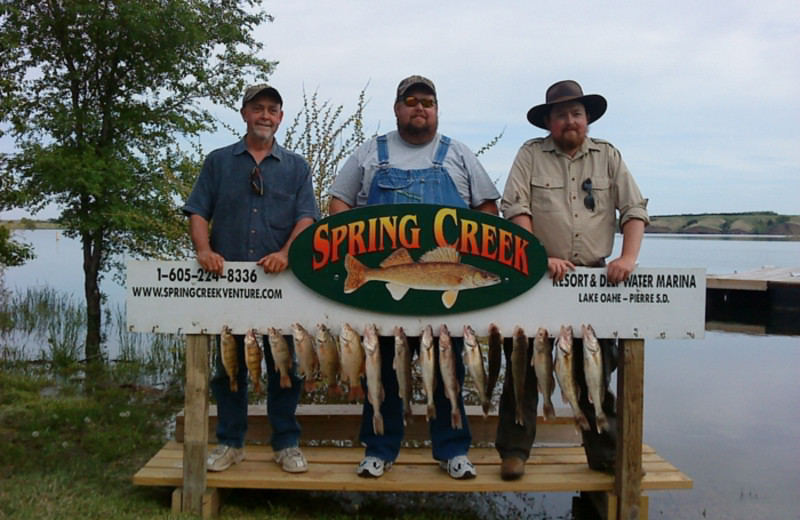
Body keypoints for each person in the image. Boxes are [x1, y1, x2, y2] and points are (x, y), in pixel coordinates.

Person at [328, 75, 500, 479]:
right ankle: (379, 449)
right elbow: (339, 203)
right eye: (411, 100)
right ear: (397, 108)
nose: (419, 107)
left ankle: (454, 450)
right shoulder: (371, 152)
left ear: (437, 109)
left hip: (445, 289)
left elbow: (488, 210)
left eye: (428, 101)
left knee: (449, 371)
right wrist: (358, 247)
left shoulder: (457, 154)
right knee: (381, 367)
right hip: (392, 287)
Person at [498, 80, 649, 480]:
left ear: (587, 119)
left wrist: (628, 258)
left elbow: (634, 208)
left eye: (577, 113)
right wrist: (537, 256)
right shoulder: (529, 155)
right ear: (548, 121)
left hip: (594, 279)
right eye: (562, 114)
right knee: (523, 368)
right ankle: (513, 452)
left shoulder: (608, 156)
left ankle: (607, 453)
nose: (571, 121)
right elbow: (515, 208)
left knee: (594, 369)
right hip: (537, 279)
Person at [182, 84, 320, 473]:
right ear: (244, 113)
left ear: (280, 117)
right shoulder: (218, 162)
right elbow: (197, 210)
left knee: (286, 367)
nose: (265, 115)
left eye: (272, 109)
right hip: (227, 283)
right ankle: (230, 443)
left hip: (280, 285)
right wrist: (203, 250)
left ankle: (286, 443)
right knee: (229, 368)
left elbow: (307, 218)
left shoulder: (296, 166)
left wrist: (285, 254)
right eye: (257, 108)